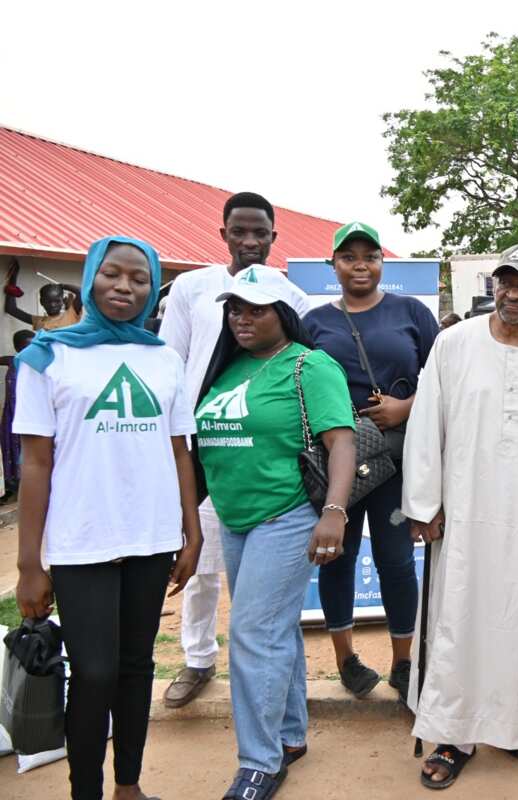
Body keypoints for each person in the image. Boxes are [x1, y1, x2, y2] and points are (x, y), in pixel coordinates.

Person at [13, 236, 202, 800]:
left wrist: (190, 533)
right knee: (94, 673)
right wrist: (29, 564)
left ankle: (128, 785)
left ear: (152, 289)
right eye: (112, 275)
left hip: (151, 538)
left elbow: (178, 451)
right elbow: (36, 464)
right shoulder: (46, 357)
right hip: (81, 542)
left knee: (136, 668)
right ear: (91, 278)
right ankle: (85, 791)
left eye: (139, 279)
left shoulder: (164, 358)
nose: (125, 287)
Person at [402, 243, 518, 790]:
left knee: (516, 621)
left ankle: (513, 725)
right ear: (492, 288)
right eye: (505, 282)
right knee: (456, 619)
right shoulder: (453, 343)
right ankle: (453, 735)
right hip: (460, 514)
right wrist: (423, 504)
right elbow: (426, 428)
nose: (514, 293)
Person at [193, 264, 354, 799]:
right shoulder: (226, 368)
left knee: (252, 634)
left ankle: (259, 762)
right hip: (236, 518)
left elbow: (342, 443)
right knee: (273, 631)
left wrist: (334, 511)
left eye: (255, 308)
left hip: (286, 516)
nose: (241, 318)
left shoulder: (310, 366)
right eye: (234, 308)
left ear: (282, 314)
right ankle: (288, 737)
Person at [159, 191, 311, 710]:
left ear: (273, 238)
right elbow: (171, 363)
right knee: (198, 562)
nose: (250, 241)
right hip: (201, 444)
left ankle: (276, 694)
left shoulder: (291, 294)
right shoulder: (193, 289)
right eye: (239, 231)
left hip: (261, 447)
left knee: (258, 587)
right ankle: (198, 658)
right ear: (222, 233)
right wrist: (176, 442)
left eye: (260, 233)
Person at [304, 221, 439, 699]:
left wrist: (406, 408)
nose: (360, 264)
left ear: (383, 263)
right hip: (336, 461)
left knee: (397, 560)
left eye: (370, 256)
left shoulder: (411, 312)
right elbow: (299, 386)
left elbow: (446, 379)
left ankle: (404, 662)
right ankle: (346, 659)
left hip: (396, 457)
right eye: (349, 256)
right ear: (333, 265)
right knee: (336, 558)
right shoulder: (314, 321)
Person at [1, 329, 35, 500]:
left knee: (27, 450)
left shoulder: (37, 365)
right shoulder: (12, 361)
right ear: (18, 348)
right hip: (10, 414)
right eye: (26, 347)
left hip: (27, 414)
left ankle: (28, 485)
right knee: (10, 448)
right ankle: (13, 484)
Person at [4, 258, 83, 331]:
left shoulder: (71, 314)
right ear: (41, 302)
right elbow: (11, 309)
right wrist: (13, 278)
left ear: (62, 301)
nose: (53, 305)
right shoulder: (39, 321)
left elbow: (81, 292)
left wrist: (62, 286)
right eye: (48, 301)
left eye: (57, 301)